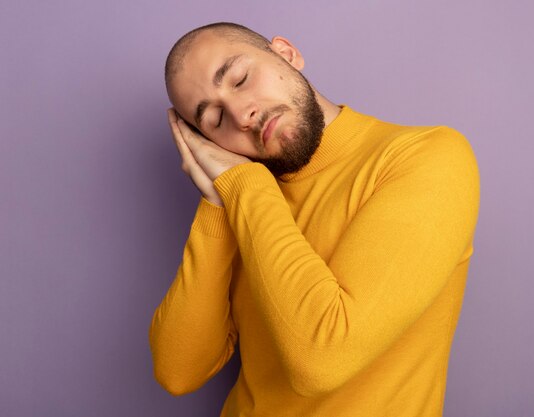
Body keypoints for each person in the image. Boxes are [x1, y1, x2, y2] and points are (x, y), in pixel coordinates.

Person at [149, 22, 480, 417]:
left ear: (287, 54)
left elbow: (324, 360)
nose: (242, 114)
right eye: (215, 120)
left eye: (240, 79)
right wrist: (218, 199)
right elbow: (178, 371)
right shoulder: (243, 197)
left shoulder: (425, 158)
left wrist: (242, 185)